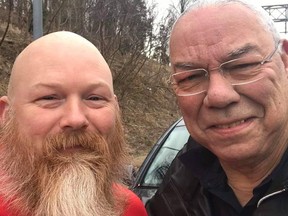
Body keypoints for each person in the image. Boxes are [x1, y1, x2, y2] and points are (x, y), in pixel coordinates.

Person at [146, 0, 288, 215]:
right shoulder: (173, 195)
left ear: (285, 61)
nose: (218, 95)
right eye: (191, 76)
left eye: (243, 65)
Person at [0, 31, 148, 216]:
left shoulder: (131, 209)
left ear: (116, 109)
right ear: (6, 115)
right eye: (49, 97)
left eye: (95, 98)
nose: (76, 119)